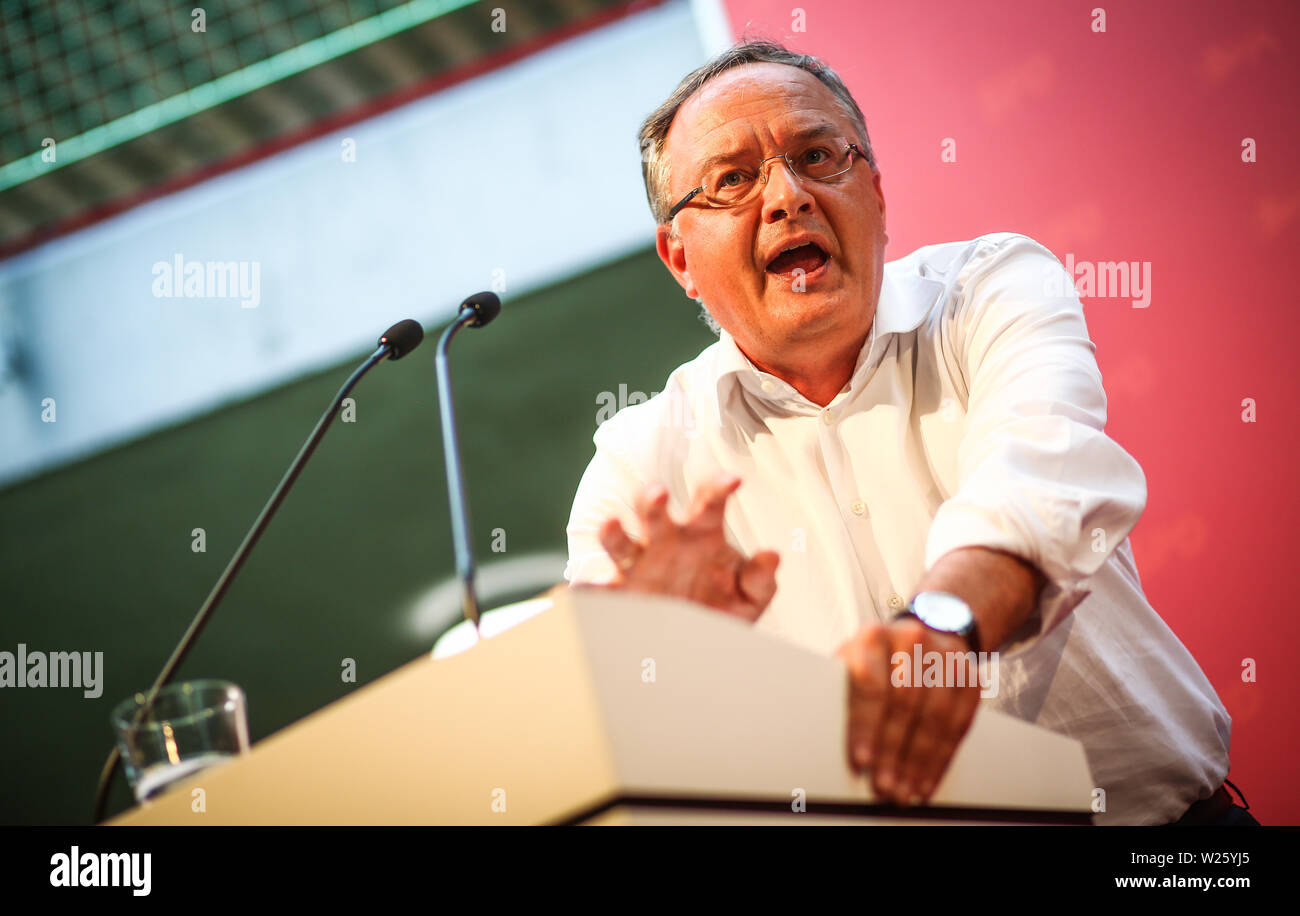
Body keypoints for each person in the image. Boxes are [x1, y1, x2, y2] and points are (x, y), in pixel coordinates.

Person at [564, 40, 1251, 826]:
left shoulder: (991, 288)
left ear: (879, 195)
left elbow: (1039, 471)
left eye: (818, 156)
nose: (788, 196)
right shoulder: (639, 471)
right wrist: (675, 668)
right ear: (678, 257)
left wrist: (943, 628)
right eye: (732, 180)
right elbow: (620, 749)